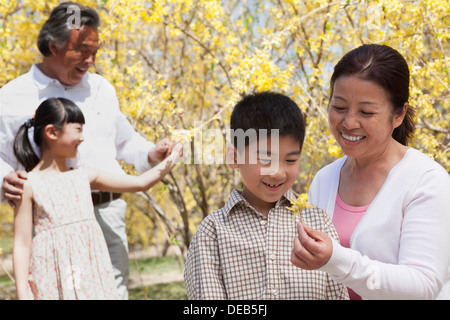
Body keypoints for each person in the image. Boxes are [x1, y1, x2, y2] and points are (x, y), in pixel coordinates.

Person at [0, 2, 174, 299]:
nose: (91, 59)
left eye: (95, 50)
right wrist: (4, 178)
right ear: (53, 44)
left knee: (112, 292)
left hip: (106, 215)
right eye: (82, 50)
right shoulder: (11, 97)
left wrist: (150, 154)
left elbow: (123, 141)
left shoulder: (102, 89)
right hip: (48, 225)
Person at [290, 44, 450, 300]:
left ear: (399, 114)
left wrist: (337, 259)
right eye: (339, 107)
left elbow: (422, 286)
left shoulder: (427, 181)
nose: (349, 122)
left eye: (366, 112)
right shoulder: (325, 179)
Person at [12, 97, 182, 300]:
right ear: (51, 132)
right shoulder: (29, 184)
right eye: (77, 129)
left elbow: (140, 183)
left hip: (91, 275)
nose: (82, 138)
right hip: (51, 279)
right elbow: (22, 243)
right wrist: (23, 293)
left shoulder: (86, 176)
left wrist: (171, 160)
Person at [184, 91, 349, 299]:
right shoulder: (214, 232)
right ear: (234, 156)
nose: (278, 173)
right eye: (265, 159)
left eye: (290, 160)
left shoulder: (317, 223)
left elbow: (337, 293)